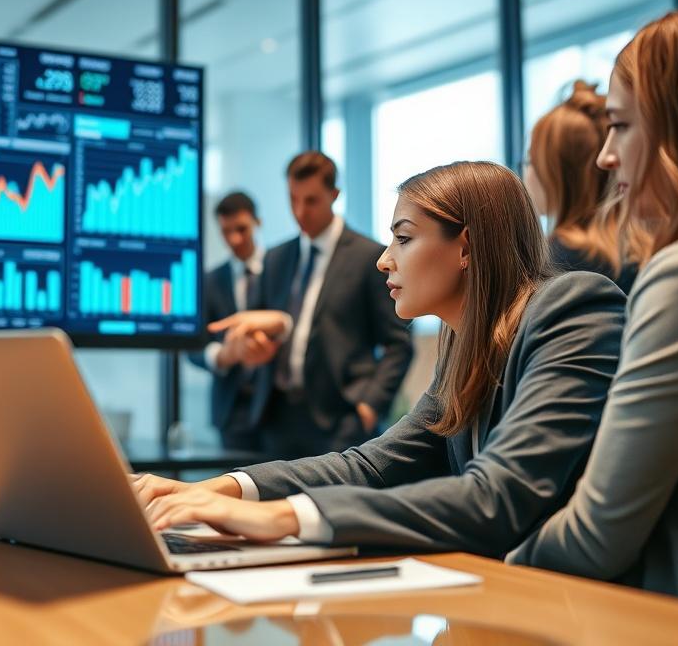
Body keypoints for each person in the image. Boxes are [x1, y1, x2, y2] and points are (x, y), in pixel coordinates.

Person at [131, 161, 625, 556]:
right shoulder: (463, 342)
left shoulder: (572, 310)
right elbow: (371, 466)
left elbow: (496, 496)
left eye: (404, 238)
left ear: (467, 248)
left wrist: (284, 517)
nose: (384, 259)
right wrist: (224, 489)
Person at [508, 6, 678, 600]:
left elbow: (598, 530)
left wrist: (490, 566)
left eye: (623, 126)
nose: (606, 156)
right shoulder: (644, 259)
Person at [241, 152, 413, 459]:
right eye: (293, 199)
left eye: (311, 201)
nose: (299, 211)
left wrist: (370, 406)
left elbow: (398, 344)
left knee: (324, 506)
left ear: (334, 195)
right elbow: (255, 321)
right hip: (275, 418)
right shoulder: (275, 258)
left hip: (339, 420)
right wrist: (254, 343)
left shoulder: (368, 257)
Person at [523, 80, 637, 293]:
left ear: (556, 174)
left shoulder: (557, 261)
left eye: (530, 161)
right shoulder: (637, 245)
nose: (525, 174)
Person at [187, 191, 264, 451]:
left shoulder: (281, 270)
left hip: (278, 410)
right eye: (226, 231)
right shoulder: (209, 281)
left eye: (241, 229)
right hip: (231, 411)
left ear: (257, 222)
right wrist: (222, 356)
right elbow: (193, 347)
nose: (234, 239)